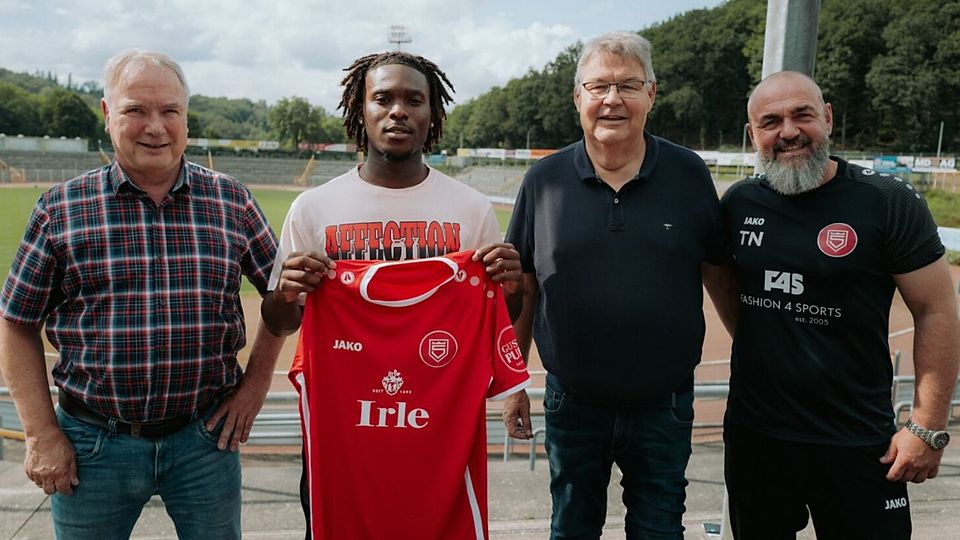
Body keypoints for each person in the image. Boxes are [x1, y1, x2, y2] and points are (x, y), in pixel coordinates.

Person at [0, 49, 283, 538]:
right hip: (92, 443)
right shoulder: (60, 210)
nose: (156, 126)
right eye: (136, 110)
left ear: (185, 119)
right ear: (109, 115)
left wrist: (255, 388)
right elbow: (16, 320)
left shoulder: (231, 201)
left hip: (204, 441)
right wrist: (41, 433)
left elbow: (282, 299)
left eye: (170, 111)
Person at [259, 50, 532, 539]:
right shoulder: (314, 209)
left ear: (433, 114)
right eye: (383, 98)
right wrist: (285, 292)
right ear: (361, 111)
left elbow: (492, 317)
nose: (398, 110)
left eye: (414, 100)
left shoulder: (469, 209)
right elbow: (284, 321)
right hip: (345, 431)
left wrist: (511, 288)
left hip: (438, 430)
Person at [505, 31, 731, 539]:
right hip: (572, 400)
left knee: (659, 529)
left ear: (651, 94)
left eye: (628, 85)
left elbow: (718, 272)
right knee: (571, 528)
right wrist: (513, 382)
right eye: (599, 86)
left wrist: (757, 356)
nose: (612, 100)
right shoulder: (543, 181)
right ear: (578, 97)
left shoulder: (689, 174)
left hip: (664, 402)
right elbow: (523, 284)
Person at [718, 70, 960, 539]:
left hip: (858, 440)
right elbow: (728, 290)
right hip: (757, 438)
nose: (788, 131)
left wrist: (928, 426)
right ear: (753, 136)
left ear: (827, 118)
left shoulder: (886, 200)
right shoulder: (739, 202)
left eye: (801, 115)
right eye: (771, 121)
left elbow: (937, 310)